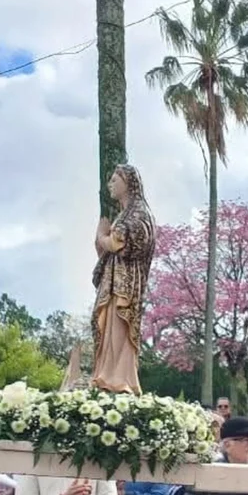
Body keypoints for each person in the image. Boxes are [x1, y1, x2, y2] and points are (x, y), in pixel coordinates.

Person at [90, 164, 156, 395]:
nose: (110, 185)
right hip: (113, 280)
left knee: (119, 326)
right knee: (108, 325)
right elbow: (109, 248)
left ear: (128, 183)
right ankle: (106, 375)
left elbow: (121, 242)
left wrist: (102, 235)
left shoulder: (139, 212)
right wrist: (102, 241)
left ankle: (120, 378)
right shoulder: (125, 213)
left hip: (126, 283)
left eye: (114, 180)